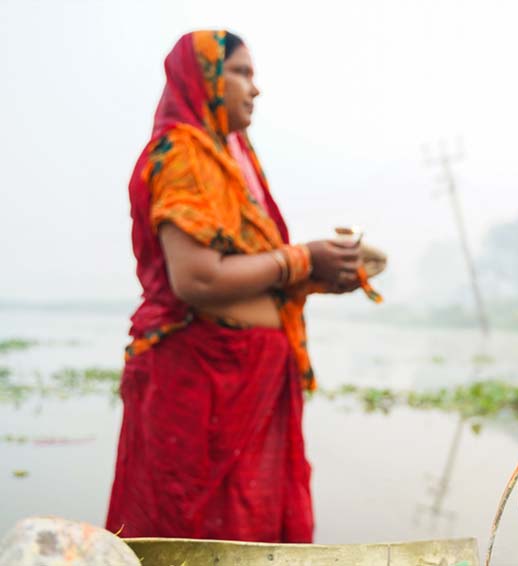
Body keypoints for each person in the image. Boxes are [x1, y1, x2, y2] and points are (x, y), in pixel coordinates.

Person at [106, 30, 362, 543]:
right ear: (201, 78)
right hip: (198, 384)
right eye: (241, 72)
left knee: (251, 531)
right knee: (181, 531)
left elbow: (250, 269)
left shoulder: (234, 156)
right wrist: (301, 257)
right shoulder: (183, 154)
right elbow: (197, 278)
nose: (255, 88)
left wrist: (319, 274)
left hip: (250, 381)